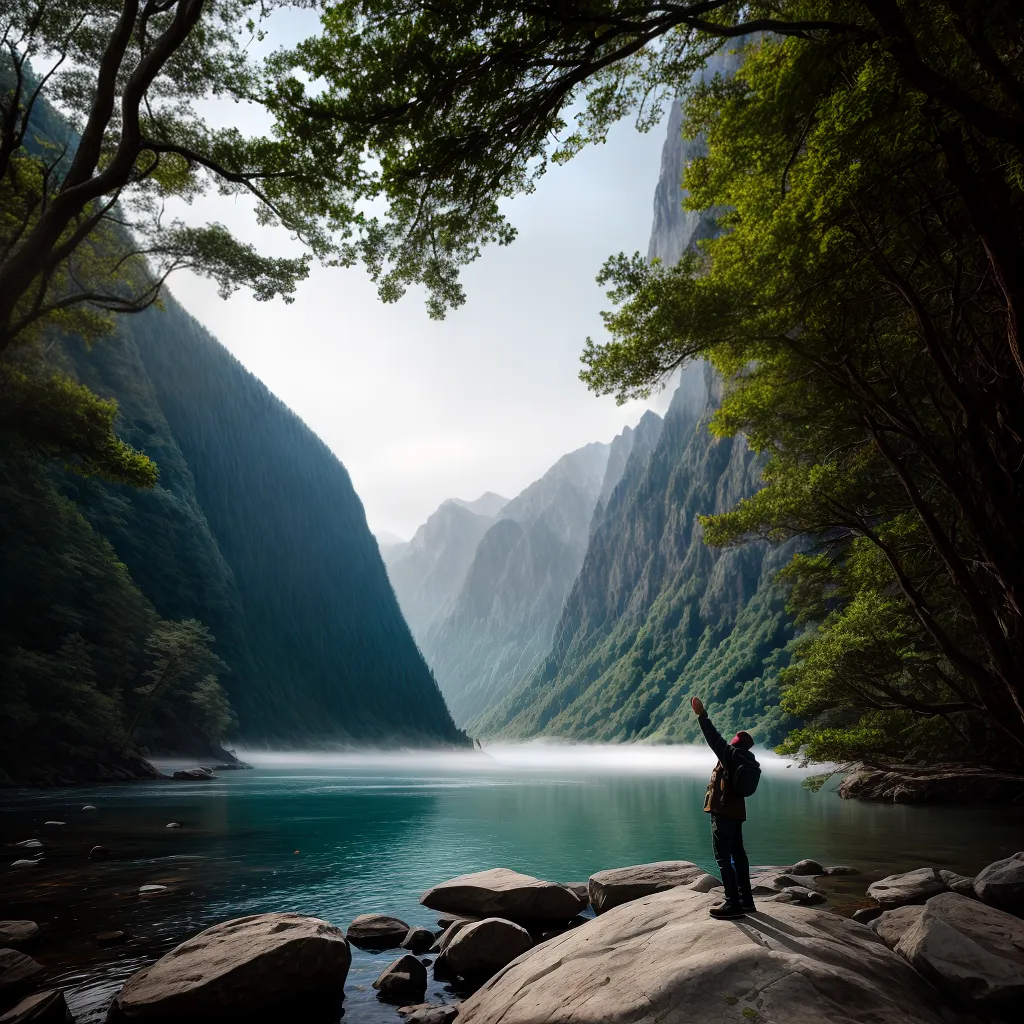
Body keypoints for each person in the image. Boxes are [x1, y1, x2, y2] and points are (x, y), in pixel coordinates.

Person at [690, 695, 756, 919]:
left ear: (734, 744)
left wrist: (702, 716)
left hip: (723, 813)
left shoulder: (730, 756)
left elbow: (713, 737)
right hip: (738, 814)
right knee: (739, 856)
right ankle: (746, 901)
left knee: (723, 858)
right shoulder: (749, 760)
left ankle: (732, 904)